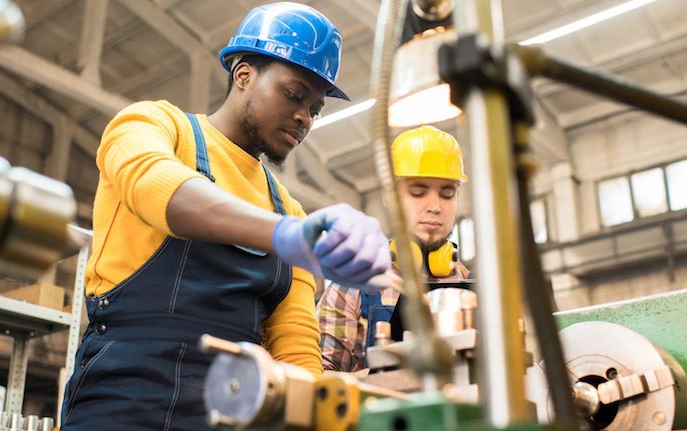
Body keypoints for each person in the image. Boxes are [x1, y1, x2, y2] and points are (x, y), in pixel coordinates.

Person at [59, 3, 391, 430]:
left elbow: (295, 350)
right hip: (123, 400)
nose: (304, 117)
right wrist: (284, 235)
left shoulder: (289, 208)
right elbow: (157, 186)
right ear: (244, 75)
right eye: (294, 95)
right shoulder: (155, 126)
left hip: (233, 413)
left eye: (316, 108)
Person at [317, 125, 471, 372]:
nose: (435, 206)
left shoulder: (469, 287)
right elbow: (320, 381)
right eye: (418, 192)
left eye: (447, 193)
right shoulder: (351, 285)